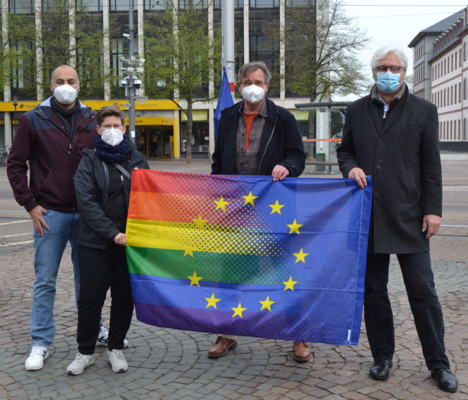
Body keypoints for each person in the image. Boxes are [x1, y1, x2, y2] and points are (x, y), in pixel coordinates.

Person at [337, 46, 458, 393]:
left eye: (394, 67)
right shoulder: (357, 109)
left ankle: (438, 364)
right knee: (374, 292)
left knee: (423, 291)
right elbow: (345, 149)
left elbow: (431, 166)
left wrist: (433, 210)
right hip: (368, 215)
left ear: (405, 73)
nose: (388, 71)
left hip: (410, 215)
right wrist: (351, 166)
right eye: (382, 67)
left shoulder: (424, 110)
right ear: (373, 72)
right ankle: (382, 357)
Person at [7, 65, 124, 371]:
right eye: (60, 81)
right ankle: (41, 341)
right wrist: (29, 203)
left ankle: (94, 329)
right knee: (45, 279)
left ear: (79, 84)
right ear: (51, 84)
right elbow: (16, 164)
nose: (65, 86)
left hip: (87, 216)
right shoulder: (32, 119)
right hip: (50, 213)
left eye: (71, 81)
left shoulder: (92, 119)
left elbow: (109, 159)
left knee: (89, 281)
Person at [211, 61, 307, 361]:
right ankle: (228, 333)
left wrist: (287, 166)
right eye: (247, 81)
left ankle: (299, 334)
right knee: (231, 272)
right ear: (239, 85)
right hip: (236, 210)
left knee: (285, 272)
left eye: (259, 81)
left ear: (267, 86)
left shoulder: (283, 118)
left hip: (273, 210)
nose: (253, 86)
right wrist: (217, 191)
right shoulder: (227, 116)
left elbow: (298, 156)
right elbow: (218, 160)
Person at [67, 105, 149, 375]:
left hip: (129, 245)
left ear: (124, 129)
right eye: (106, 126)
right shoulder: (88, 160)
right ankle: (85, 351)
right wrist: (112, 232)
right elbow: (86, 203)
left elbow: (150, 198)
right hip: (95, 243)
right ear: (98, 130)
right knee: (91, 298)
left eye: (117, 125)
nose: (112, 130)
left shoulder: (137, 160)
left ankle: (115, 348)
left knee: (124, 298)